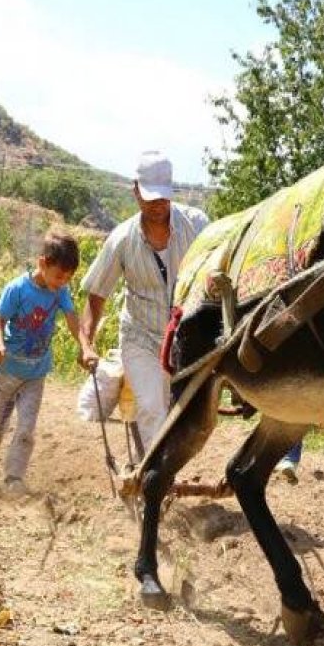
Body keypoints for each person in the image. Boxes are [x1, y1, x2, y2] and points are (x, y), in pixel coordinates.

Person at [80, 151, 208, 452]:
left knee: (176, 413)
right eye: (149, 198)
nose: (157, 205)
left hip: (183, 339)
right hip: (140, 337)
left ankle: (148, 464)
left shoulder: (197, 226)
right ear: (135, 191)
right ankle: (158, 485)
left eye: (162, 198)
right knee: (152, 408)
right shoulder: (122, 240)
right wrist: (86, 343)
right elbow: (97, 295)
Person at [0, 232, 97, 494]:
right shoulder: (17, 289)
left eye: (68, 278)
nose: (63, 282)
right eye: (59, 276)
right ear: (42, 263)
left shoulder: (60, 292)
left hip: (36, 373)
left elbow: (72, 320)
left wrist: (86, 347)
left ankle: (14, 477)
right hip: (8, 370)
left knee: (26, 428)